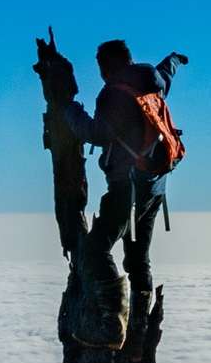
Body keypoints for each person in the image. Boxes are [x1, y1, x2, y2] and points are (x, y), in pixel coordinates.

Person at [60, 39, 187, 297]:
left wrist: (69, 109)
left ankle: (112, 314)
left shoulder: (115, 93)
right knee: (138, 260)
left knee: (94, 252)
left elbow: (98, 133)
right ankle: (139, 323)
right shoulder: (152, 84)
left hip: (126, 188)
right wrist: (175, 58)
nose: (101, 75)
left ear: (108, 66)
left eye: (101, 67)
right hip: (154, 188)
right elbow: (165, 72)